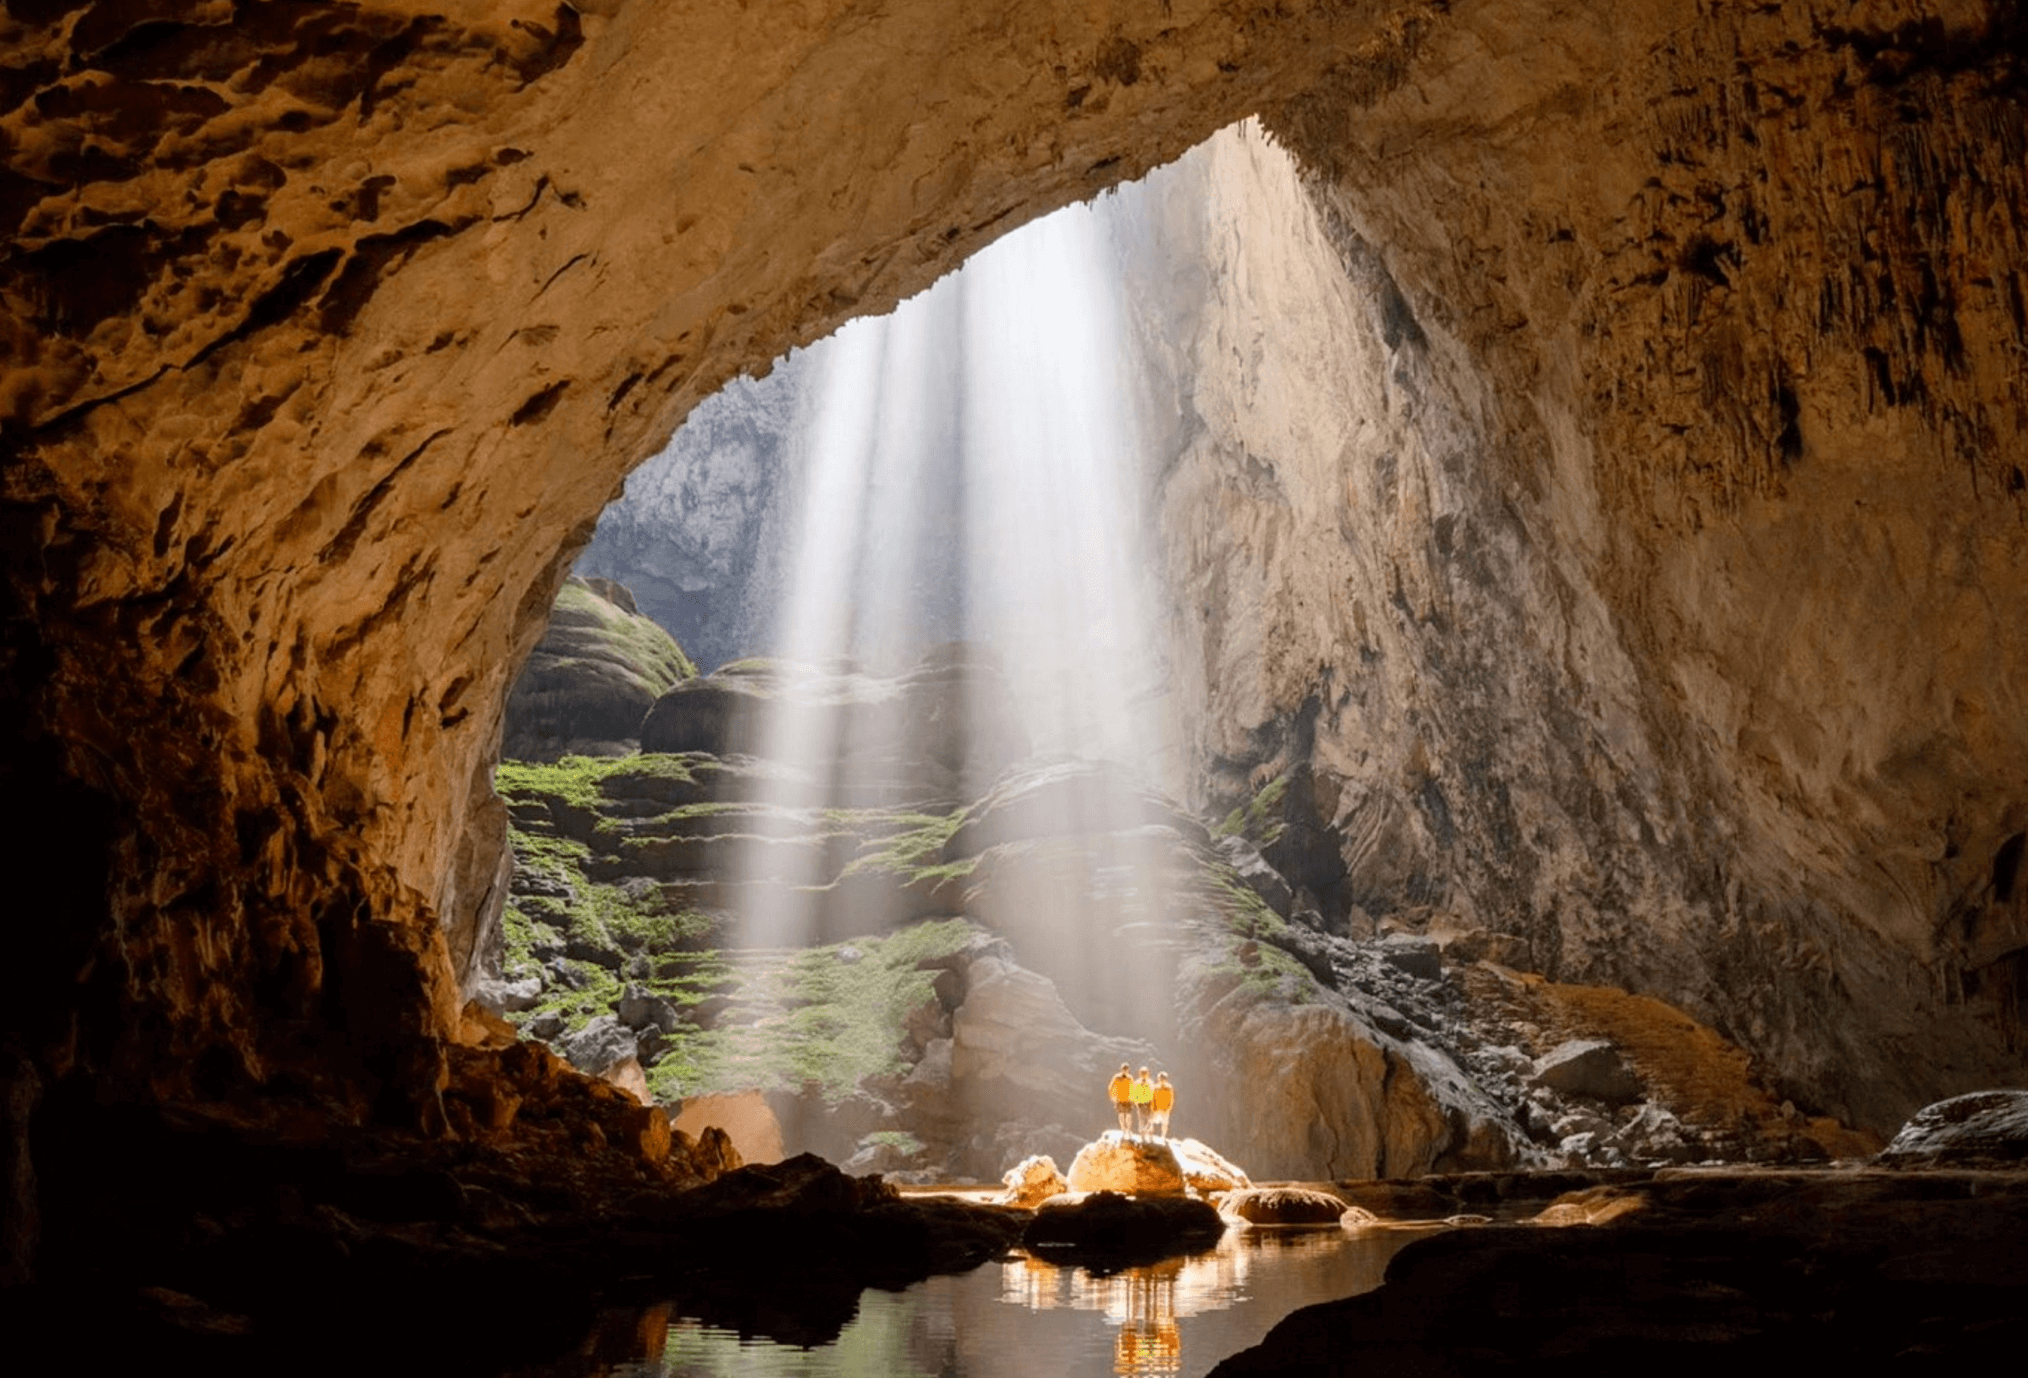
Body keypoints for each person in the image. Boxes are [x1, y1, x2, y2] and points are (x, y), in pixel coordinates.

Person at [1108, 1062, 1134, 1133]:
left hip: (1128, 1099)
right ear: (1121, 1069)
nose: (1125, 1070)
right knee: (1121, 1115)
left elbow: (1132, 1088)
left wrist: (1132, 1098)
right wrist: (1113, 1097)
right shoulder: (1116, 1077)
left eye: (1126, 1069)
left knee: (1128, 1115)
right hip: (1119, 1099)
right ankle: (1123, 1129)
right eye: (1124, 1069)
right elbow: (1111, 1087)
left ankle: (1128, 1129)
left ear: (1128, 1070)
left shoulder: (1130, 1078)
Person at [1130, 1065, 1155, 1134]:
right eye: (1142, 1072)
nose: (1144, 1074)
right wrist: (1135, 1102)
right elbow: (1133, 1093)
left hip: (1149, 1103)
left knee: (1149, 1119)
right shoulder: (1137, 1082)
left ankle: (1149, 1133)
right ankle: (1142, 1134)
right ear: (1139, 1073)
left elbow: (1153, 1092)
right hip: (1140, 1103)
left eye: (1145, 1072)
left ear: (1148, 1074)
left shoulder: (1150, 1082)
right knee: (1141, 1119)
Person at [1150, 1071, 1175, 1139]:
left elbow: (1171, 1099)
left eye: (1163, 1078)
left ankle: (1163, 1136)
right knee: (1152, 1122)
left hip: (1165, 1109)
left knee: (1165, 1123)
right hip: (1157, 1108)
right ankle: (1150, 1135)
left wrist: (1168, 1109)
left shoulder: (1169, 1088)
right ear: (1158, 1079)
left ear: (1166, 1079)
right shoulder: (1155, 1087)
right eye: (1160, 1078)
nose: (1161, 1080)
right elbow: (1153, 1098)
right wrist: (1153, 1108)